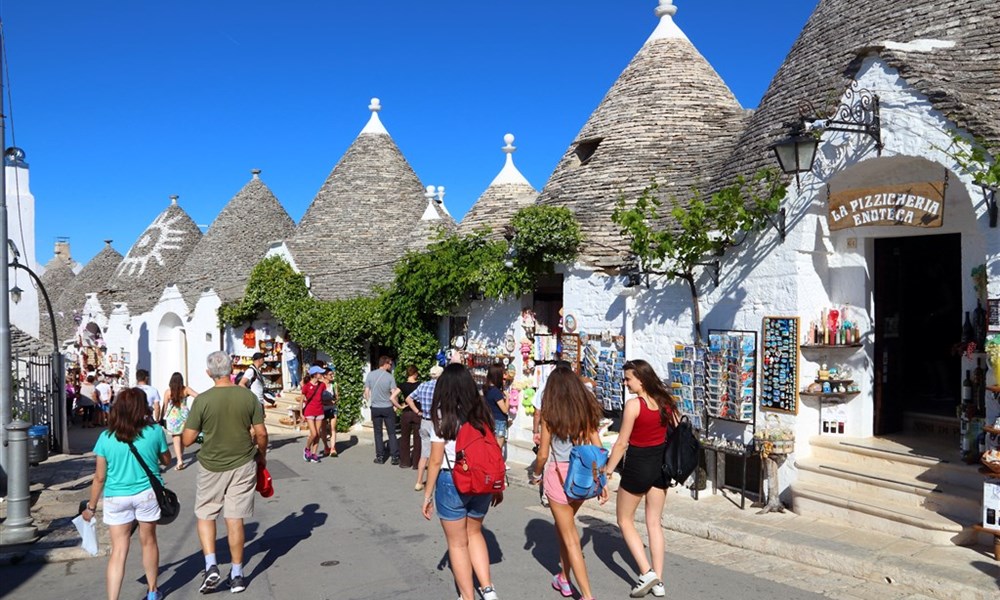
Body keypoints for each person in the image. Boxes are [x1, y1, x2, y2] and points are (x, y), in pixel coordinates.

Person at [182, 351, 267, 594]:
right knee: (235, 518)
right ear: (231, 370)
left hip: (211, 464)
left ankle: (211, 565)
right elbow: (261, 433)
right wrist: (262, 455)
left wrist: (203, 434)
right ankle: (238, 574)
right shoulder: (248, 397)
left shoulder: (203, 401)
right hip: (243, 462)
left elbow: (187, 440)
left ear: (209, 373)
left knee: (206, 514)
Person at [421, 363, 502, 600]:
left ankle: (468, 597)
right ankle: (488, 590)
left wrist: (427, 495)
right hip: (482, 479)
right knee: (475, 534)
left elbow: (435, 460)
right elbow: (493, 447)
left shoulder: (442, 413)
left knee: (457, 544)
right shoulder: (482, 410)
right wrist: (497, 483)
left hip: (451, 479)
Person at [82, 387, 171, 600]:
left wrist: (91, 507)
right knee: (148, 541)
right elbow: (166, 460)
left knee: (119, 550)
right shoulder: (155, 432)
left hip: (116, 497)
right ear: (142, 408)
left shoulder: (106, 437)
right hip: (147, 494)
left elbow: (100, 478)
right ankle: (152, 591)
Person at [531, 365, 608, 600]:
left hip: (559, 476)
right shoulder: (584, 412)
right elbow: (598, 448)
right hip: (583, 476)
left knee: (571, 537)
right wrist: (602, 480)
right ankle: (564, 578)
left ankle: (586, 595)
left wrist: (536, 474)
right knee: (564, 529)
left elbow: (543, 454)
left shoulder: (549, 415)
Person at [604, 359, 676, 598]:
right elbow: (674, 431)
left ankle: (646, 572)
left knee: (624, 520)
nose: (625, 383)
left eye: (628, 379)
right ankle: (660, 581)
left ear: (641, 379)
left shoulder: (634, 405)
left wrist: (608, 471)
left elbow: (622, 442)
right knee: (654, 523)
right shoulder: (666, 402)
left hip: (638, 465)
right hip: (660, 467)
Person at [406, 364, 443, 491]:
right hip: (437, 421)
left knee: (424, 453)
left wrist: (417, 411)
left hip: (425, 420)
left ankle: (419, 481)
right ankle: (435, 481)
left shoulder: (422, 385)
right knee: (438, 453)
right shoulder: (442, 388)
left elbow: (408, 399)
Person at [364, 355, 402, 465]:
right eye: (390, 364)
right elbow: (394, 392)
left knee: (378, 433)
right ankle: (394, 456)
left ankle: (380, 456)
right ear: (385, 364)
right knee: (391, 432)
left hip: (376, 408)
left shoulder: (370, 375)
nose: (391, 366)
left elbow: (366, 392)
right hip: (387, 407)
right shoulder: (390, 377)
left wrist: (369, 400)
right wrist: (396, 405)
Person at [163, 372, 199, 471]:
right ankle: (180, 458)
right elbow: (198, 396)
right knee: (182, 438)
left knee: (176, 438)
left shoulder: (168, 392)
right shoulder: (186, 389)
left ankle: (179, 460)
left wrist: (162, 418)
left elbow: (165, 406)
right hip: (184, 416)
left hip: (173, 417)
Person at [301, 365, 327, 463]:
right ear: (315, 375)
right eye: (320, 373)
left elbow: (323, 395)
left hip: (319, 410)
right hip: (309, 411)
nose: (322, 374)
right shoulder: (306, 386)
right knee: (314, 433)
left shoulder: (322, 385)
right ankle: (307, 448)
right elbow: (302, 400)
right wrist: (301, 413)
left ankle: (314, 454)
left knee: (318, 434)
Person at [398, 365, 422, 468]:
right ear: (415, 373)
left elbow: (392, 397)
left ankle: (405, 462)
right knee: (418, 439)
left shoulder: (402, 385)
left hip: (406, 413)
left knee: (405, 438)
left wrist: (400, 406)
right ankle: (416, 463)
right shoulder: (420, 385)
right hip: (417, 413)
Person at [483, 364, 509, 452]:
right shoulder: (496, 392)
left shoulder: (486, 389)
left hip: (490, 420)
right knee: (497, 449)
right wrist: (508, 397)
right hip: (499, 422)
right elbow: (505, 410)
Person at [321, 366, 340, 457]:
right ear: (325, 375)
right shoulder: (321, 385)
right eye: (330, 374)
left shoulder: (334, 384)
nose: (332, 376)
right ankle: (326, 447)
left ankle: (333, 448)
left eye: (332, 374)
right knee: (323, 428)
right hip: (323, 408)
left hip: (332, 407)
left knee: (333, 427)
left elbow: (337, 397)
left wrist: (334, 400)